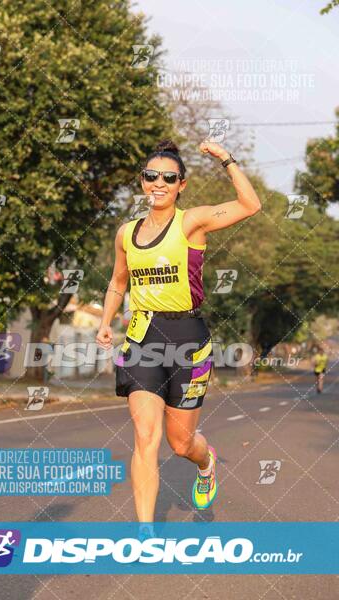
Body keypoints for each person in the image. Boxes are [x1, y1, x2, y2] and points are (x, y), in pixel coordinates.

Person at [96, 139, 261, 537]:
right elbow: (119, 282)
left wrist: (226, 159)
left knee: (181, 444)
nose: (159, 183)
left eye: (168, 178)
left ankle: (206, 465)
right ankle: (145, 533)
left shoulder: (192, 222)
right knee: (145, 436)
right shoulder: (126, 233)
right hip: (142, 339)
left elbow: (249, 205)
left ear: (181, 185)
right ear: (142, 182)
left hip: (188, 338)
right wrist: (106, 319)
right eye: (151, 176)